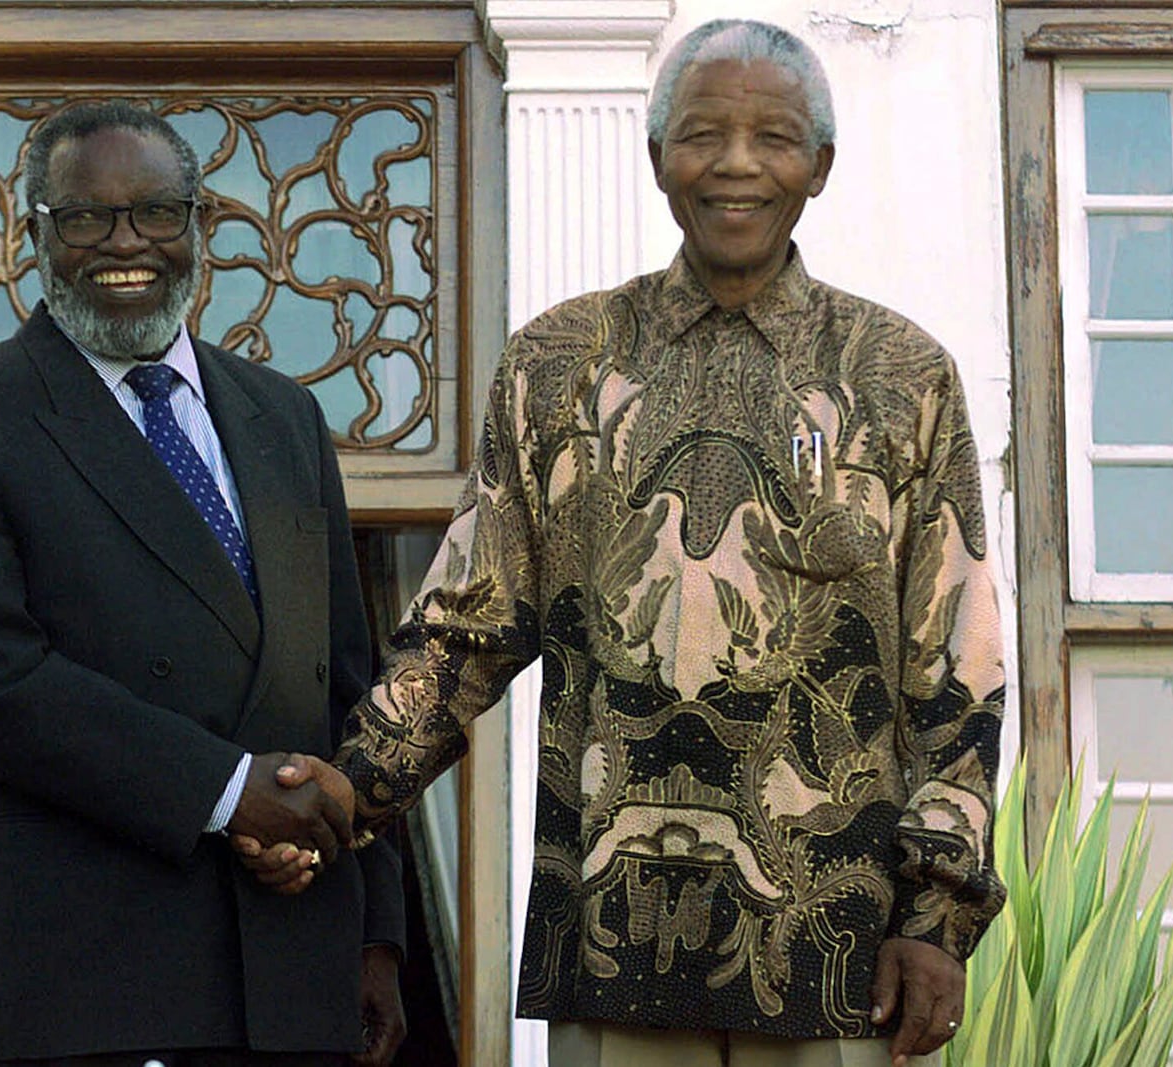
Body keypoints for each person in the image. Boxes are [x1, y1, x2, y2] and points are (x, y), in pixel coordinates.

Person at [241, 19, 1005, 1067]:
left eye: (773, 137)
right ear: (656, 159)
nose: (736, 163)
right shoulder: (556, 363)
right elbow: (468, 627)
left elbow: (955, 669)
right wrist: (343, 789)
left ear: (819, 167)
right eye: (702, 134)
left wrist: (937, 915)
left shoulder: (901, 375)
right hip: (610, 936)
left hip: (833, 946)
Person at [0, 99, 405, 1067]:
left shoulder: (286, 415)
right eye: (85, 217)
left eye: (157, 212)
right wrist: (226, 789)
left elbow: (345, 684)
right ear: (32, 234)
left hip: (295, 970)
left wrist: (375, 936)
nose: (126, 244)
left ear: (199, 226)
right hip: (94, 988)